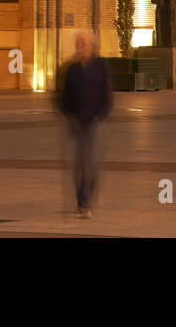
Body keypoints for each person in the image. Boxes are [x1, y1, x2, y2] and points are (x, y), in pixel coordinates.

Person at [55, 31, 113, 218]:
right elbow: (62, 94)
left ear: (92, 46)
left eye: (83, 43)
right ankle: (81, 201)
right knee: (78, 165)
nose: (80, 46)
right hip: (76, 122)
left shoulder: (101, 66)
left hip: (95, 121)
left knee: (92, 163)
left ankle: (86, 203)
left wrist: (103, 114)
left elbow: (107, 93)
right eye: (78, 43)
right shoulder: (71, 69)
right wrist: (64, 113)